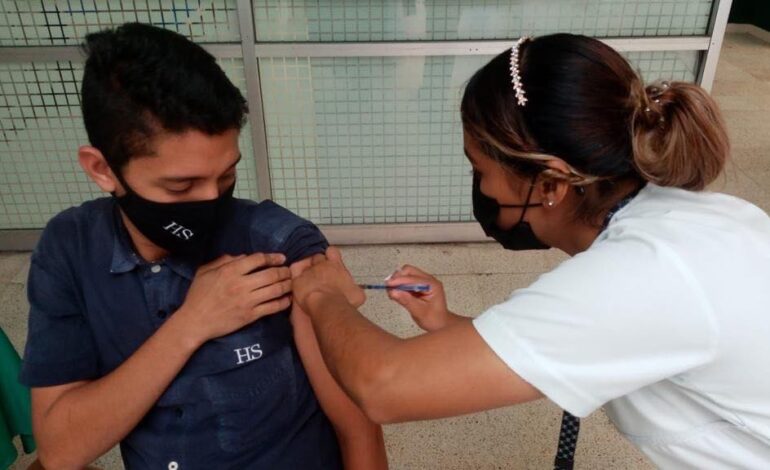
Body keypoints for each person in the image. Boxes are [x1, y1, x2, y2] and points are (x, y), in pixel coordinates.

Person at [292, 33, 770, 468]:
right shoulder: (688, 222)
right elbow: (548, 352)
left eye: (479, 169)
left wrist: (322, 296)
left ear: (549, 184)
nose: (479, 186)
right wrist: (443, 323)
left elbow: (385, 387)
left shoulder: (641, 275)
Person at [18, 23, 386, 469]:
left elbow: (358, 423)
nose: (212, 201)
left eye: (227, 174)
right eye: (180, 186)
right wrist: (191, 325)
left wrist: (334, 309)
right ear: (103, 170)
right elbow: (60, 451)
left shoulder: (277, 243)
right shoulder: (70, 249)